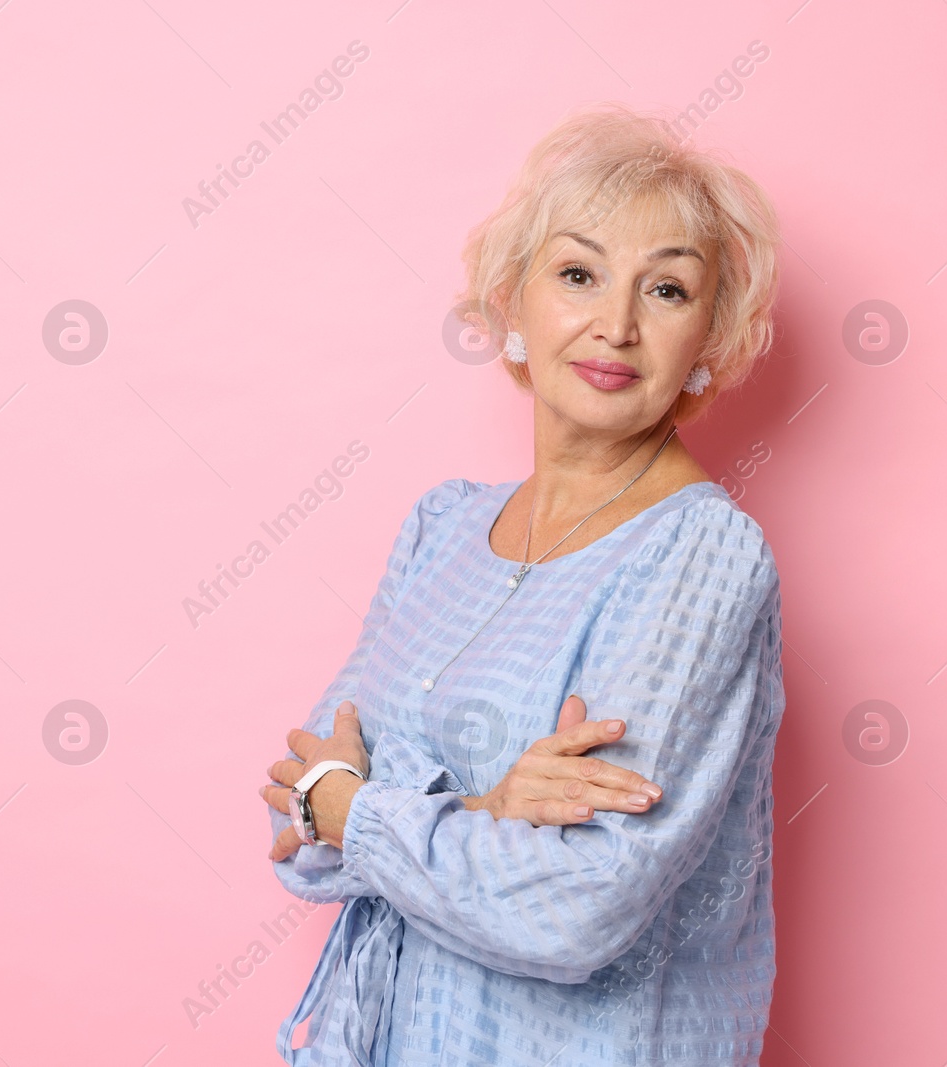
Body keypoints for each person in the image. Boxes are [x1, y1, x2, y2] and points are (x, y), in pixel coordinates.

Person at [258, 102, 786, 1066]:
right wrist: (490, 809)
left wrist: (364, 808)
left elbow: (577, 909)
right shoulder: (442, 526)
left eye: (667, 289)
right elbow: (297, 816)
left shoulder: (701, 556)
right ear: (512, 300)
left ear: (712, 331)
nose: (616, 325)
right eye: (578, 273)